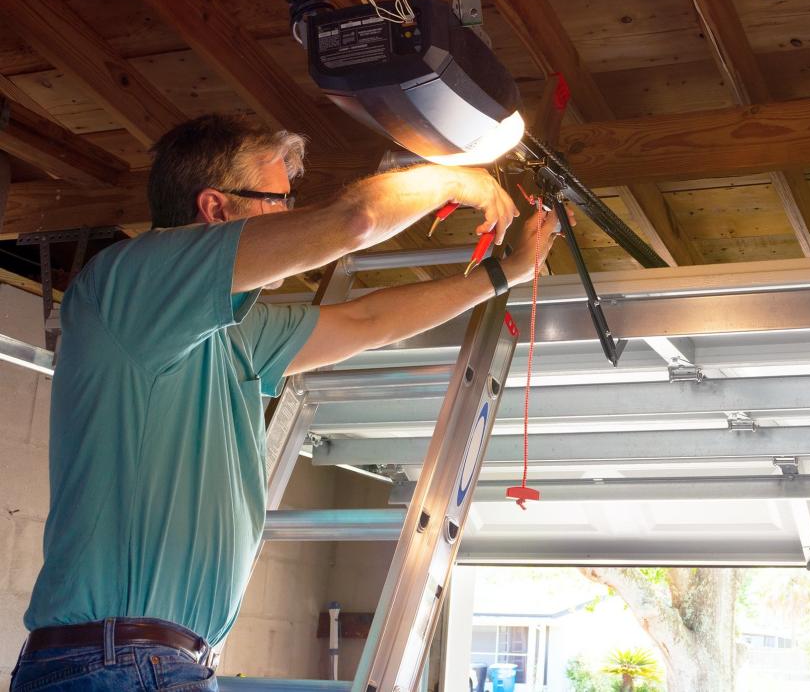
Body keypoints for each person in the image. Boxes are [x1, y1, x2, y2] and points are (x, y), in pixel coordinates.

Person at [12, 113, 561, 692]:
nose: (290, 215)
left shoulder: (233, 333)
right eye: (278, 199)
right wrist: (458, 180)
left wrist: (502, 274)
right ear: (216, 208)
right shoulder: (129, 285)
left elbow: (366, 320)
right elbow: (354, 220)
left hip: (147, 661)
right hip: (119, 660)